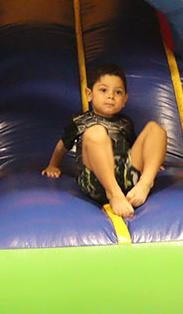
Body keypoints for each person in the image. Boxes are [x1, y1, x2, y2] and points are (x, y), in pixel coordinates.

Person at [41, 63, 167, 218]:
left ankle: (145, 183)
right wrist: (53, 165)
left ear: (125, 99)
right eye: (103, 90)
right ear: (89, 94)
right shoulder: (80, 121)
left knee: (155, 129)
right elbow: (63, 145)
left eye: (118, 92)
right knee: (96, 132)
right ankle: (113, 193)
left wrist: (151, 163)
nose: (110, 96)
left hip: (127, 179)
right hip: (96, 181)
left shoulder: (125, 123)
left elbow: (135, 148)